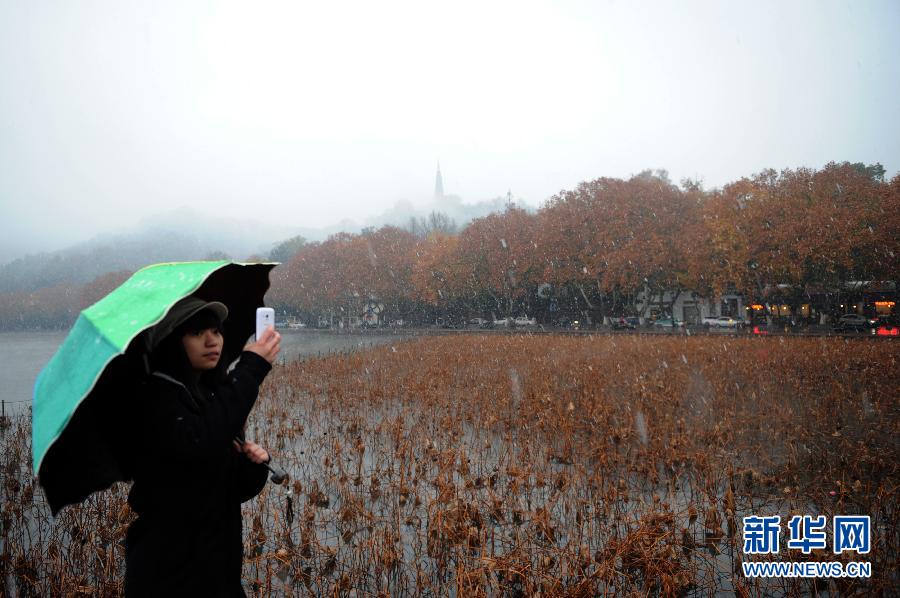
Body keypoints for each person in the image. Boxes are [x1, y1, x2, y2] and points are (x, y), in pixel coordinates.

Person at [124, 297, 281, 596]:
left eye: (216, 331)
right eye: (197, 333)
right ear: (172, 341)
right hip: (169, 574)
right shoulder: (155, 397)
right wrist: (251, 367)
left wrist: (252, 465)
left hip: (216, 567)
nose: (212, 341)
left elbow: (224, 488)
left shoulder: (205, 393)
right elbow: (199, 444)